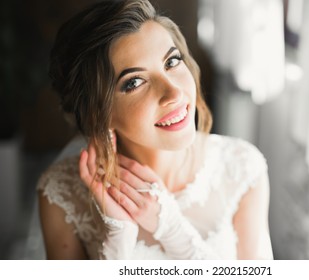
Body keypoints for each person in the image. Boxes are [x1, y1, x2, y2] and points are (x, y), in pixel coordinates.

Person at [37, 0, 273, 260]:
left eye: (172, 62)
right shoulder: (60, 194)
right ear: (98, 114)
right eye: (135, 82)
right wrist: (118, 238)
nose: (174, 92)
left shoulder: (242, 168)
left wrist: (174, 233)